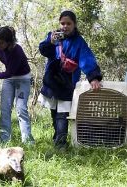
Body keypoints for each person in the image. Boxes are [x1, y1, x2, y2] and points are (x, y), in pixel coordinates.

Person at [38, 10, 102, 149]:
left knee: (63, 113)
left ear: (74, 24)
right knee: (54, 111)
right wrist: (50, 42)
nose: (65, 26)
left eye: (68, 23)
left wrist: (93, 77)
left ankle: (61, 144)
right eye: (62, 23)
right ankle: (58, 137)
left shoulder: (79, 42)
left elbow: (86, 59)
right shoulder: (52, 36)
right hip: (52, 80)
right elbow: (44, 50)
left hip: (67, 82)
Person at [0, 26, 35, 144]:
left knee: (21, 109)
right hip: (9, 80)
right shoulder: (0, 48)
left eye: (1, 42)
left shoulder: (17, 51)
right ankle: (4, 139)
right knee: (5, 109)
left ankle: (28, 141)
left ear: (9, 43)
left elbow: (9, 73)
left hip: (22, 79)